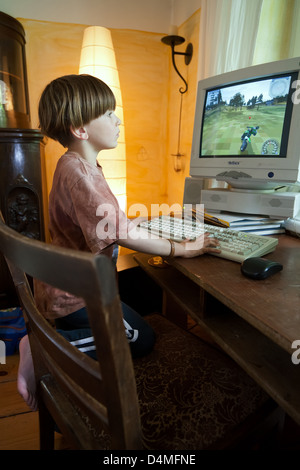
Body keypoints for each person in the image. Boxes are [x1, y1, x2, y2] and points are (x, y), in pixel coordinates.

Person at [17, 74, 221, 411]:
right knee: (143, 338)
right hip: (79, 299)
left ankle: (50, 340)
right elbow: (122, 233)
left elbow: (109, 221)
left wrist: (144, 220)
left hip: (72, 291)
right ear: (80, 129)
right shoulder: (79, 173)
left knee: (138, 315)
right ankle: (40, 347)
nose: (118, 120)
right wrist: (182, 248)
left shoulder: (78, 165)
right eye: (109, 113)